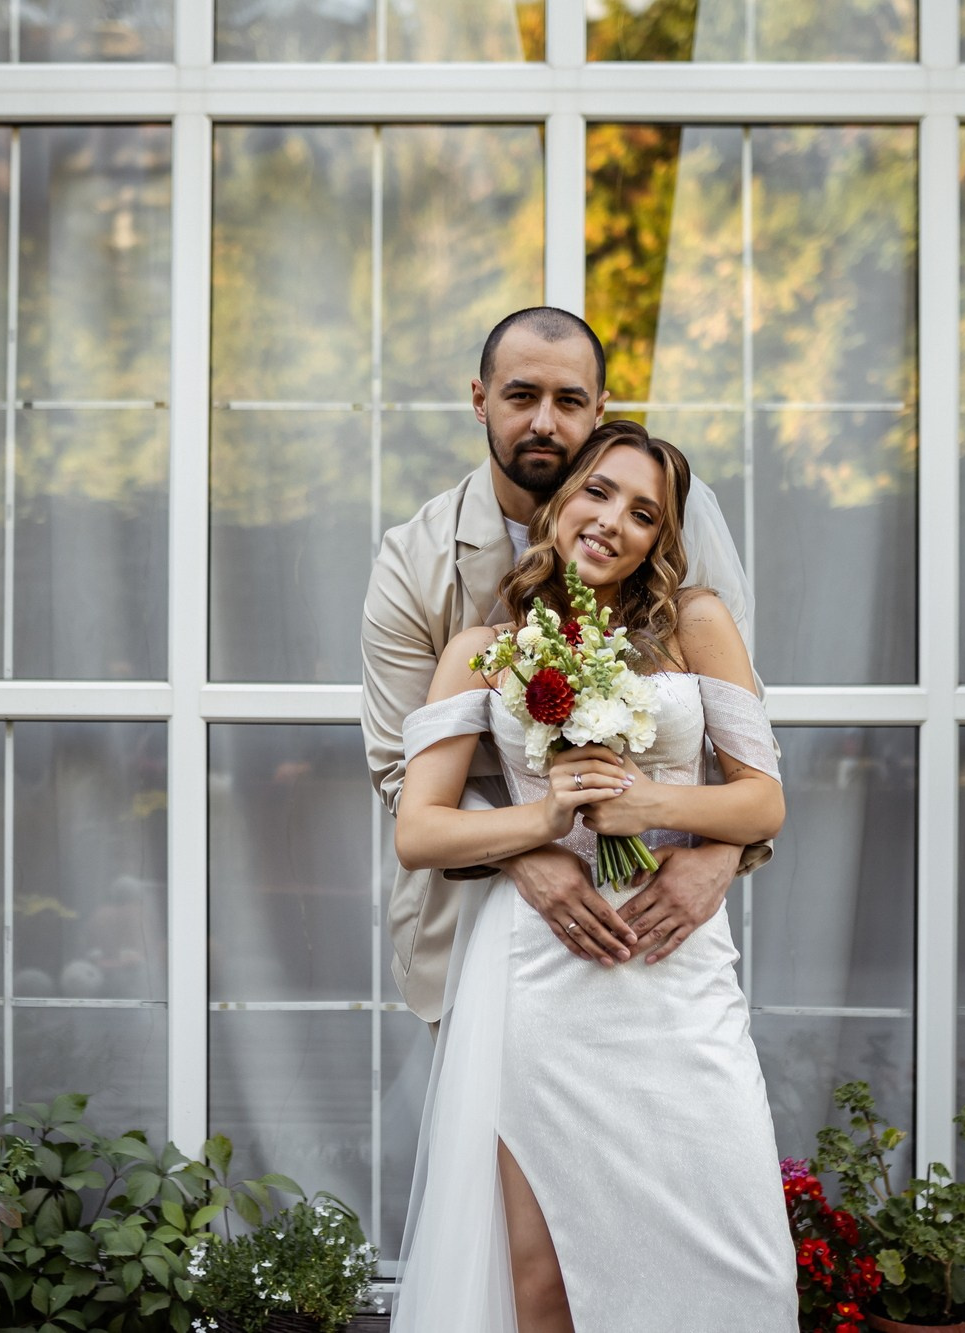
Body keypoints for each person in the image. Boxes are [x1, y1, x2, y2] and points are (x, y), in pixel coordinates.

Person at [387, 420, 796, 1331]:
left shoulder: (697, 623)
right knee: (547, 1274)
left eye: (645, 512)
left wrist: (650, 806)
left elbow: (763, 802)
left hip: (675, 972)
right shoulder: (483, 648)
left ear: (663, 537)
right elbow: (420, 830)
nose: (614, 520)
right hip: (539, 976)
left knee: (745, 1258)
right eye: (599, 492)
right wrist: (543, 817)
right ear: (560, 499)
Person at [361, 307, 768, 1030]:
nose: (545, 422)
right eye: (521, 396)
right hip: (492, 914)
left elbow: (743, 740)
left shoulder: (681, 535)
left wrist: (721, 851)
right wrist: (528, 850)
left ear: (599, 409)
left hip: (662, 918)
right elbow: (403, 774)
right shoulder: (414, 562)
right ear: (481, 400)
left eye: (570, 401)